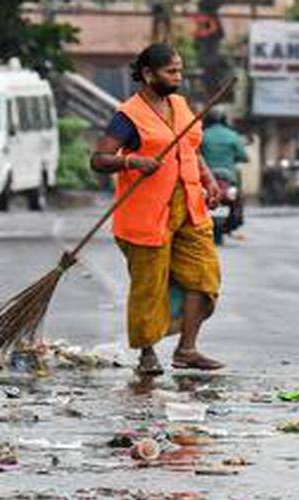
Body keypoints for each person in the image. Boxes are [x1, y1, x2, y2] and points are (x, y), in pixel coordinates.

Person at [90, 43, 224, 376]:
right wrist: (131, 160)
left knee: (204, 278)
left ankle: (187, 350)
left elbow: (190, 147)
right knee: (149, 287)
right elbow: (99, 159)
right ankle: (147, 353)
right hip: (147, 216)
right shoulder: (128, 116)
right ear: (148, 75)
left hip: (191, 208)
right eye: (171, 72)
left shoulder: (179, 104)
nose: (178, 77)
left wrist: (208, 180)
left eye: (179, 70)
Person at [199, 106, 248, 237]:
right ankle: (236, 217)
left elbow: (196, 154)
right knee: (238, 197)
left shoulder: (202, 134)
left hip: (206, 175)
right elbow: (244, 157)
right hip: (228, 176)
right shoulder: (233, 136)